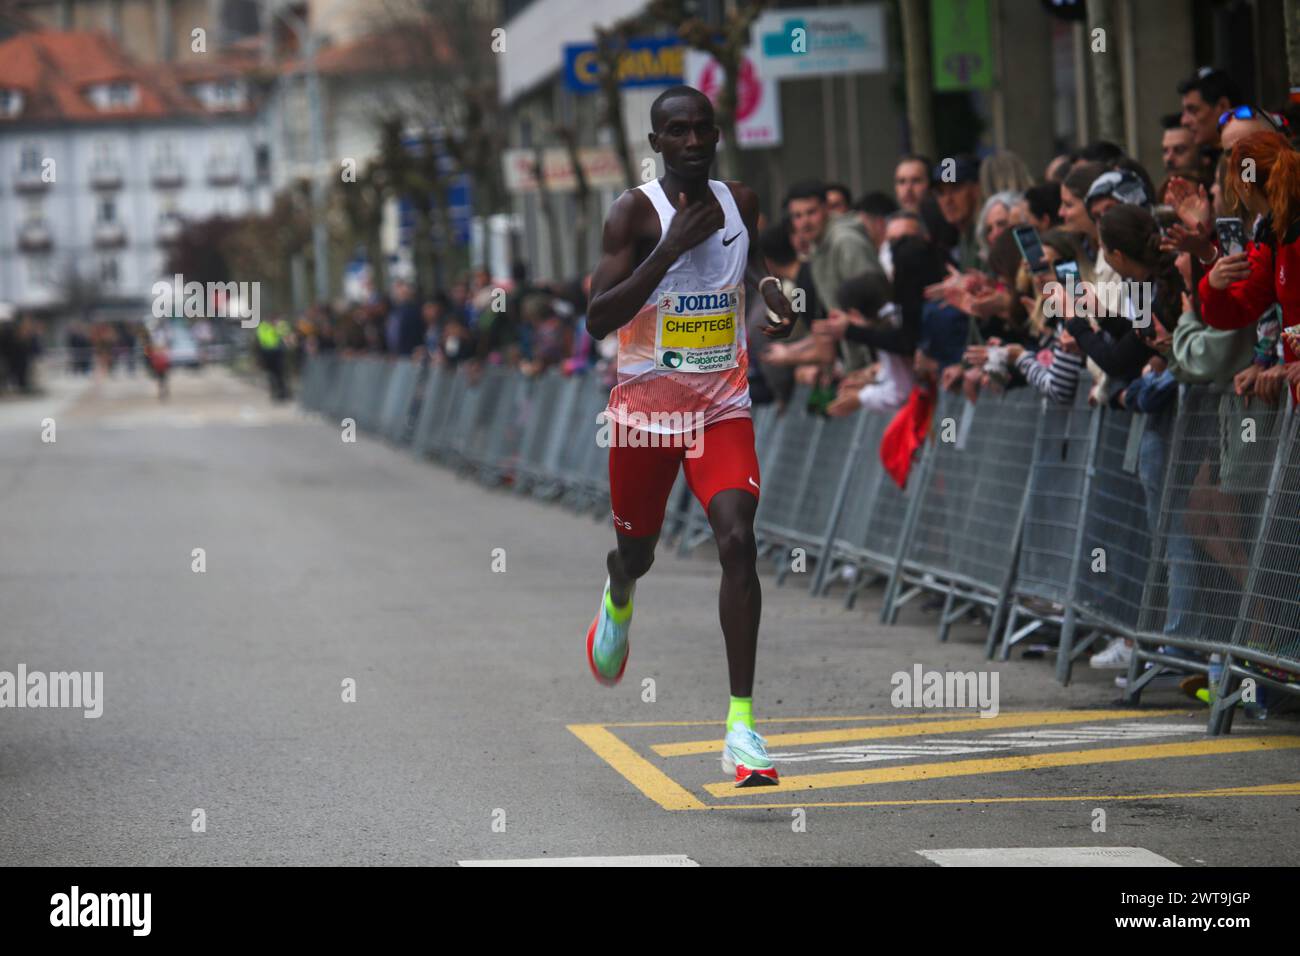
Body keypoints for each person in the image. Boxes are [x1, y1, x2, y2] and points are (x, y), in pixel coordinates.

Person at [583, 85, 797, 788]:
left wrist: (769, 290)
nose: (694, 140)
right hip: (648, 418)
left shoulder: (741, 197)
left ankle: (742, 728)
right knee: (638, 553)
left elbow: (753, 261)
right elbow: (597, 318)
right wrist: (669, 248)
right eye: (677, 131)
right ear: (657, 144)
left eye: (703, 128)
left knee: (738, 538)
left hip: (721, 408)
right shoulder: (634, 213)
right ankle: (618, 592)